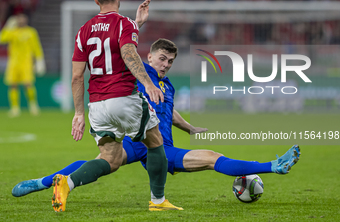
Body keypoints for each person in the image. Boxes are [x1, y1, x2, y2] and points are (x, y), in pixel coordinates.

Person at [12, 38, 301, 204]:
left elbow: (167, 111)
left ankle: (46, 182)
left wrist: (188, 127)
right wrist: (138, 23)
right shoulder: (144, 72)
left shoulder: (168, 86)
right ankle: (272, 166)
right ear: (149, 57)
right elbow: (127, 53)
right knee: (212, 158)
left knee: (103, 163)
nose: (165, 65)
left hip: (158, 143)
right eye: (162, 59)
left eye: (170, 61)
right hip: (147, 143)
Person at [46, 0, 182, 212]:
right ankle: (158, 201)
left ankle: (67, 182)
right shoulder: (123, 23)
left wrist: (78, 113)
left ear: (95, 0)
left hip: (96, 105)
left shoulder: (83, 31)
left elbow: (77, 76)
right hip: (124, 98)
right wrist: (148, 83)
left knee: (110, 159)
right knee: (156, 142)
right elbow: (128, 53)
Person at [0, 13, 45, 117]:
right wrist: (7, 26)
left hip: (26, 62)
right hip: (13, 62)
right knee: (13, 85)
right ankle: (15, 108)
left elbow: (36, 46)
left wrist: (39, 60)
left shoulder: (31, 32)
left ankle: (33, 105)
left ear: (26, 20)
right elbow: (1, 39)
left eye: (23, 18)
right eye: (19, 18)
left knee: (28, 83)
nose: (21, 20)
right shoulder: (12, 32)